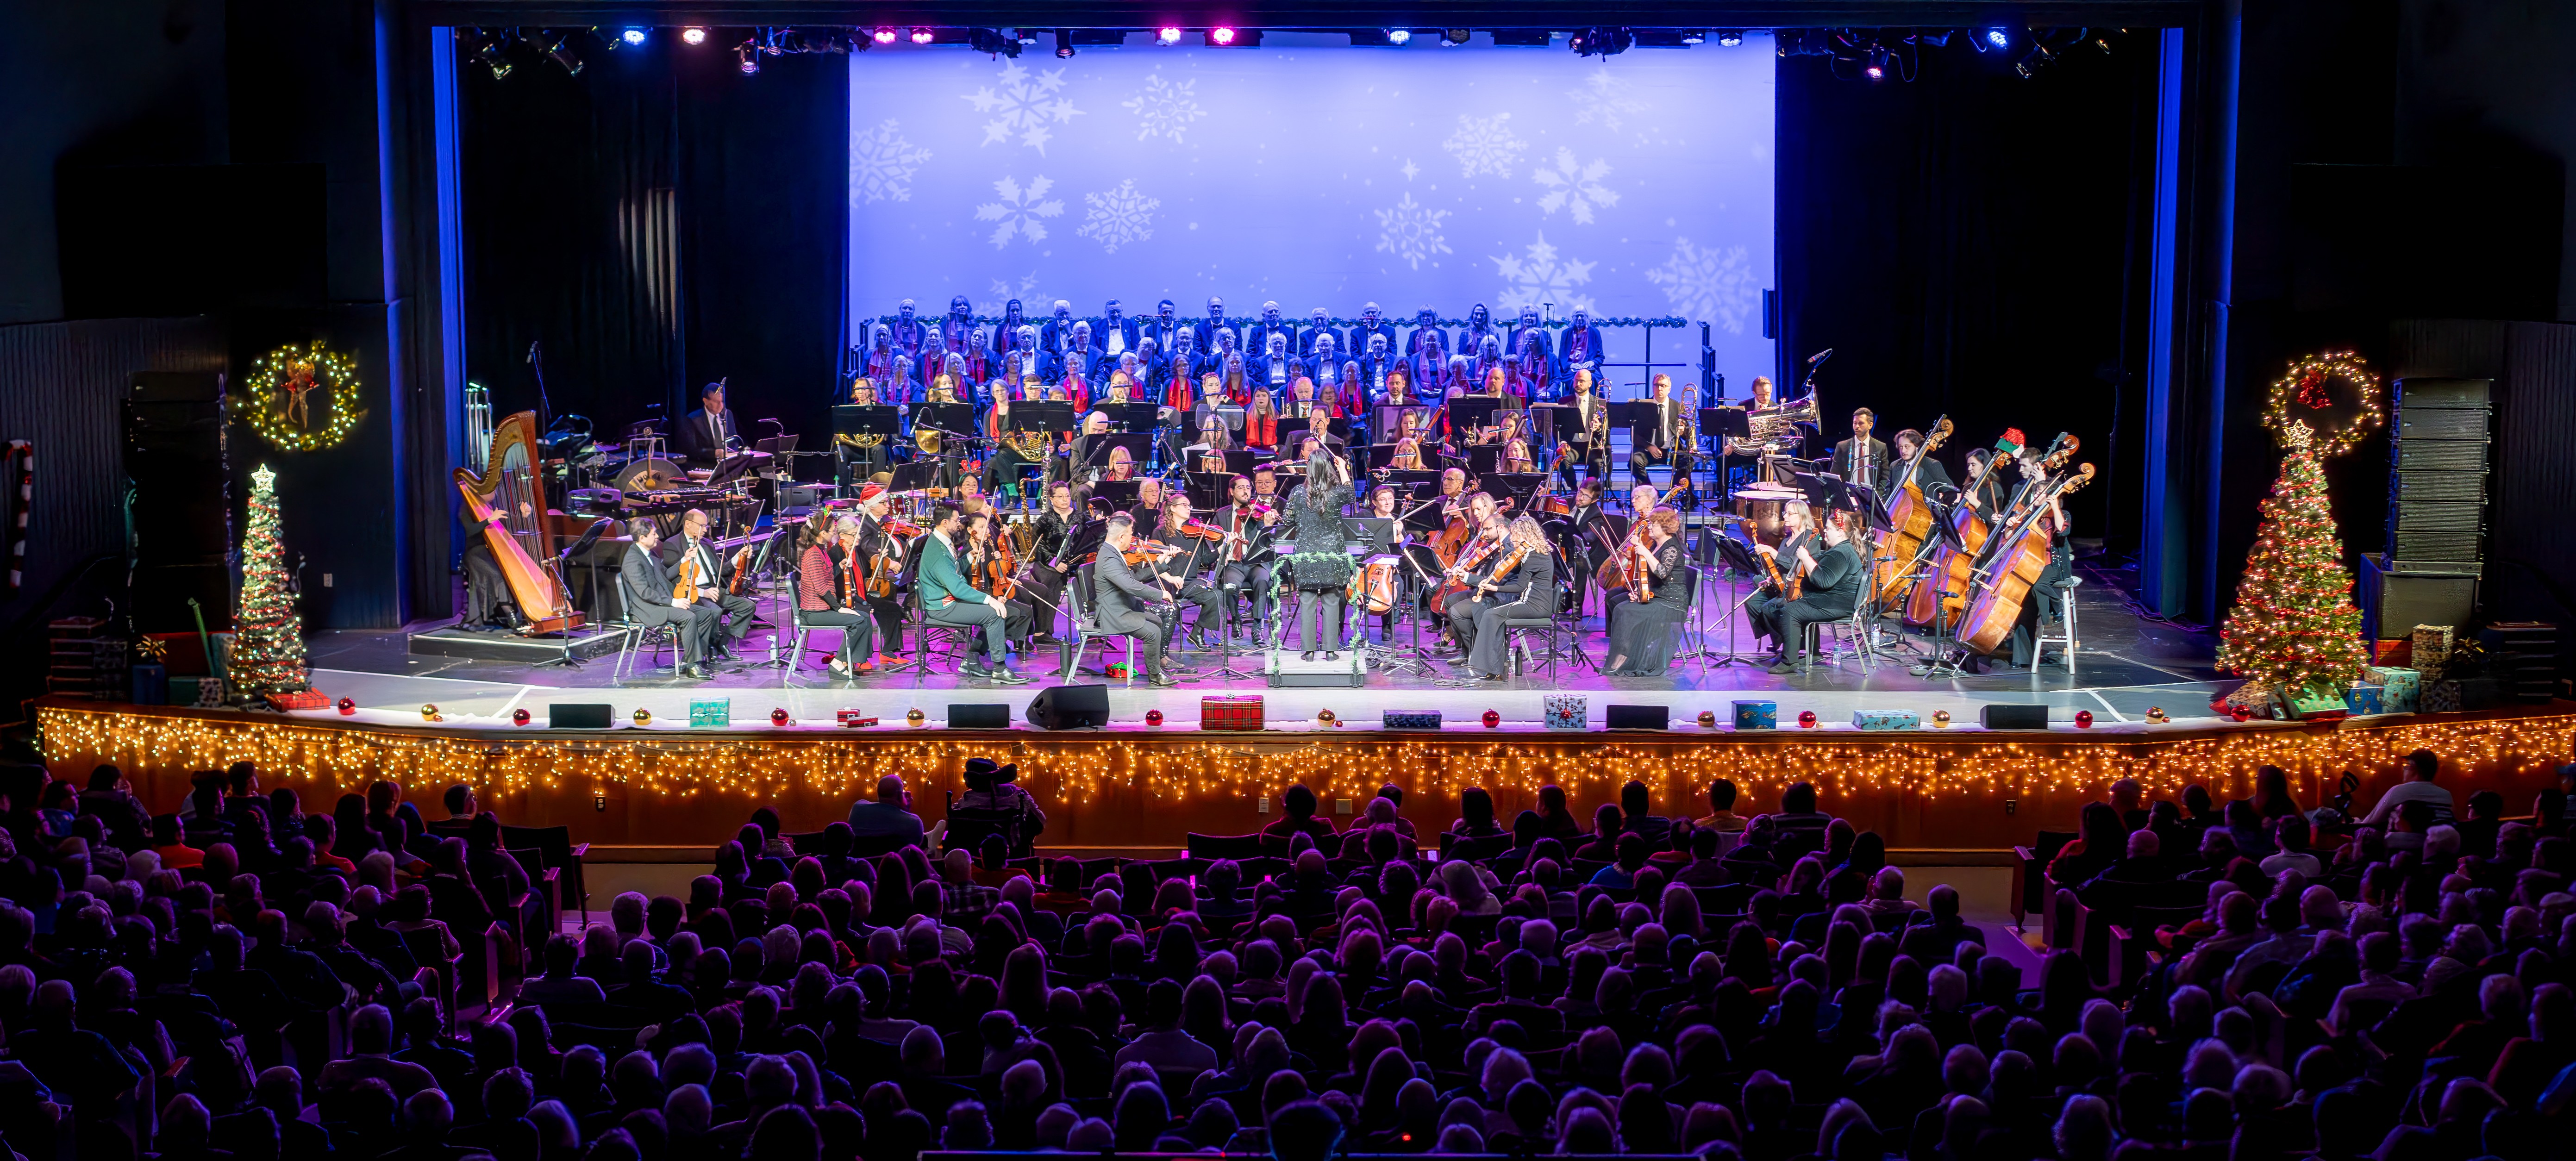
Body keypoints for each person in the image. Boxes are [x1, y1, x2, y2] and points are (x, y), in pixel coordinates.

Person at [915, 504, 1030, 685]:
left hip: (950, 601)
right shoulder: (938, 551)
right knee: (994, 614)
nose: (959, 524)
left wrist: (970, 557)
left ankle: (972, 659)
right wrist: (989, 600)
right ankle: (1000, 669)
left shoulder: (942, 542)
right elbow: (957, 588)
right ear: (945, 523)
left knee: (1010, 612)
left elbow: (954, 570)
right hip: (943, 607)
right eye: (956, 520)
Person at [1753, 507, 1866, 675]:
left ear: (1840, 533)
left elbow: (1823, 582)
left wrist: (1806, 558)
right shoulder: (1841, 549)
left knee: (1791, 610)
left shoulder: (1840, 554)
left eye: (1828, 529)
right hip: (1837, 601)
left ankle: (1789, 662)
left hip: (1838, 604)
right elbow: (1823, 568)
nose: (1825, 531)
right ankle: (1813, 653)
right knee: (1798, 604)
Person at [1281, 445, 1357, 661]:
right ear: (1329, 469)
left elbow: (1287, 520)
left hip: (1306, 556)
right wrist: (1343, 469)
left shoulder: (1298, 492)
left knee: (1307, 602)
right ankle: (1331, 651)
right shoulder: (1337, 493)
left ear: (1309, 468)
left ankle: (1309, 652)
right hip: (1332, 555)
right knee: (1332, 601)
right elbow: (1351, 494)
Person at [1456, 513, 1552, 681]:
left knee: (1491, 614)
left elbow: (1520, 587)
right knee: (1492, 615)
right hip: (1530, 603)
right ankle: (1494, 668)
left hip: (1534, 606)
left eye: (1515, 534)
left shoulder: (1535, 556)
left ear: (1525, 534)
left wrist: (1495, 587)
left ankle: (1492, 668)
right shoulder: (1534, 553)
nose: (1512, 538)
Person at [1097, 513, 1188, 687]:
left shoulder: (1113, 552)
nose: (1133, 539)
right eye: (1131, 534)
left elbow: (1135, 577)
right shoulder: (1109, 558)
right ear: (1121, 537)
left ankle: (1156, 667)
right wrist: (1160, 594)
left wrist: (1160, 564)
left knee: (1156, 621)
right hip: (1113, 613)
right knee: (1152, 632)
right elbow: (1130, 585)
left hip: (1122, 607)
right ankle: (1155, 676)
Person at [618, 518, 716, 679]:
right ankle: (693, 666)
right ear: (642, 538)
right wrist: (674, 602)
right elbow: (645, 593)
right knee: (689, 616)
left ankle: (691, 660)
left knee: (707, 614)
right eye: (654, 534)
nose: (658, 536)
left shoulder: (650, 554)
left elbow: (665, 576)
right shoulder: (633, 560)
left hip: (661, 604)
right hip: (647, 609)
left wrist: (684, 560)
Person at [659, 507, 756, 663]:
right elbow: (670, 578)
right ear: (688, 524)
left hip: (714, 589)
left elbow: (721, 571)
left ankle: (722, 643)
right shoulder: (673, 544)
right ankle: (708, 649)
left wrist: (739, 558)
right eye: (702, 526)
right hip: (693, 593)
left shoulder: (707, 543)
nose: (706, 530)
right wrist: (703, 592)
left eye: (706, 526)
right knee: (715, 611)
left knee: (748, 606)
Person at [1602, 509, 1690, 677]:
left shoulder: (1672, 548)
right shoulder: (1657, 546)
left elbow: (1662, 573)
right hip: (1658, 596)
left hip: (1672, 603)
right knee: (1620, 606)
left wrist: (1645, 552)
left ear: (1664, 526)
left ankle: (1624, 658)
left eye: (1653, 524)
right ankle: (1623, 655)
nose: (1649, 526)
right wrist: (1640, 593)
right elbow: (1651, 578)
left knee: (1625, 611)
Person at [2360, 749, 2454, 828]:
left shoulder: (2398, 791)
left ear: (2414, 770)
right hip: (2437, 844)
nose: (2404, 770)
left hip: (2401, 844)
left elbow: (2371, 821)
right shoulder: (2446, 796)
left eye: (2406, 766)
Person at [847, 775, 926, 846]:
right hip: (894, 858)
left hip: (859, 858)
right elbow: (914, 847)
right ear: (899, 796)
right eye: (903, 791)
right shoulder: (914, 822)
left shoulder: (858, 809)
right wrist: (906, 807)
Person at [676, 381, 740, 465]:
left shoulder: (728, 414)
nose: (721, 405)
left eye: (722, 401)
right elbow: (691, 450)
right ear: (705, 401)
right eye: (717, 402)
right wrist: (714, 453)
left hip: (730, 463)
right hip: (706, 465)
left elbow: (734, 440)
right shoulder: (693, 420)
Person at [1831, 407, 1892, 494]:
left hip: (1870, 496)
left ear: (1870, 425)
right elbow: (1834, 475)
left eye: (1861, 423)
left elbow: (1885, 476)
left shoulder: (1881, 447)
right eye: (1855, 423)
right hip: (1848, 494)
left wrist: (1876, 495)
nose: (1857, 427)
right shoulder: (1842, 447)